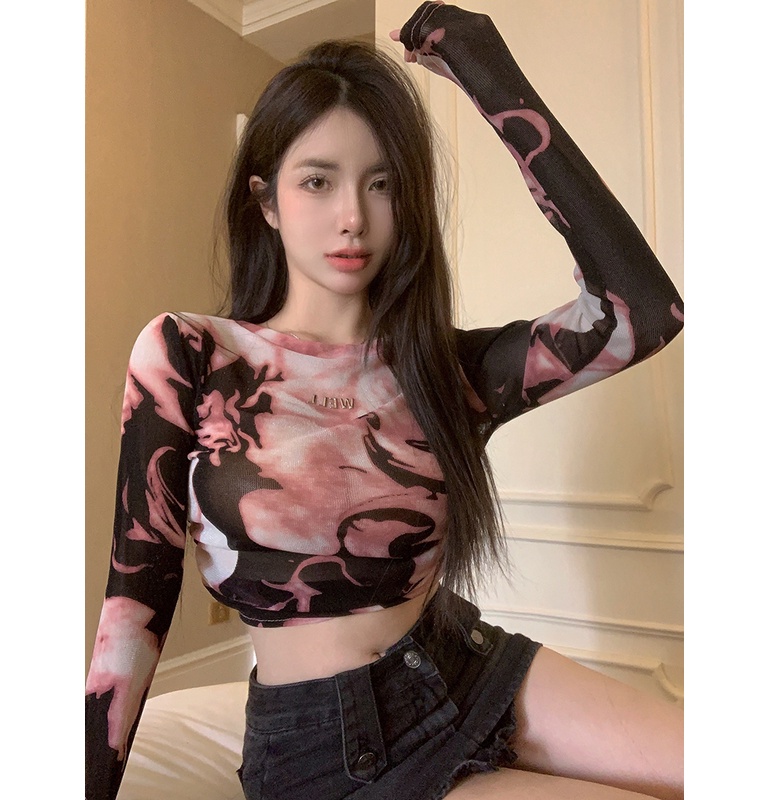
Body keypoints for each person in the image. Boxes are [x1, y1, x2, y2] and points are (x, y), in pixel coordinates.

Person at [85, 2, 684, 799]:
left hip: (466, 663)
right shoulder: (189, 352)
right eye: (317, 181)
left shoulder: (443, 368)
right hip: (327, 748)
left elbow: (642, 312)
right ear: (266, 202)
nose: (352, 217)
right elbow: (135, 601)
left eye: (382, 184)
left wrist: (482, 66)